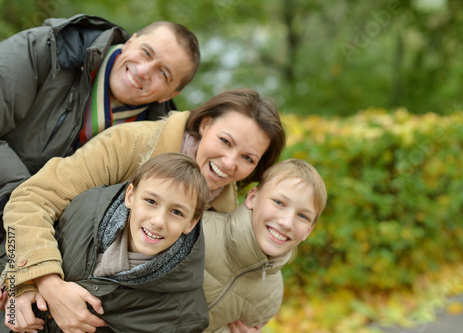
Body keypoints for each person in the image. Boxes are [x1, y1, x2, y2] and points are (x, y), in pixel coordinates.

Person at [2, 88, 286, 332]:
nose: (228, 162)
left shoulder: (225, 216)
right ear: (205, 124)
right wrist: (31, 283)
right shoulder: (130, 145)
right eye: (225, 141)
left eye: (248, 158)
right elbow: (30, 199)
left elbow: (187, 300)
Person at [0, 13, 201, 221]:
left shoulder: (157, 144)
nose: (143, 71)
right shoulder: (47, 49)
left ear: (170, 95)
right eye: (146, 52)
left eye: (163, 73)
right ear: (130, 41)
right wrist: (26, 200)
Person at [4, 152, 210, 332]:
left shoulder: (186, 315)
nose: (158, 221)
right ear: (130, 196)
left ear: (190, 223)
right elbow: (20, 239)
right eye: (151, 201)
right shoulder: (86, 209)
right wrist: (19, 286)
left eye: (176, 212)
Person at [202, 159, 327, 332]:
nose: (286, 223)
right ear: (252, 198)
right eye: (279, 203)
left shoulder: (271, 296)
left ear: (308, 231)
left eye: (303, 216)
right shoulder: (199, 232)